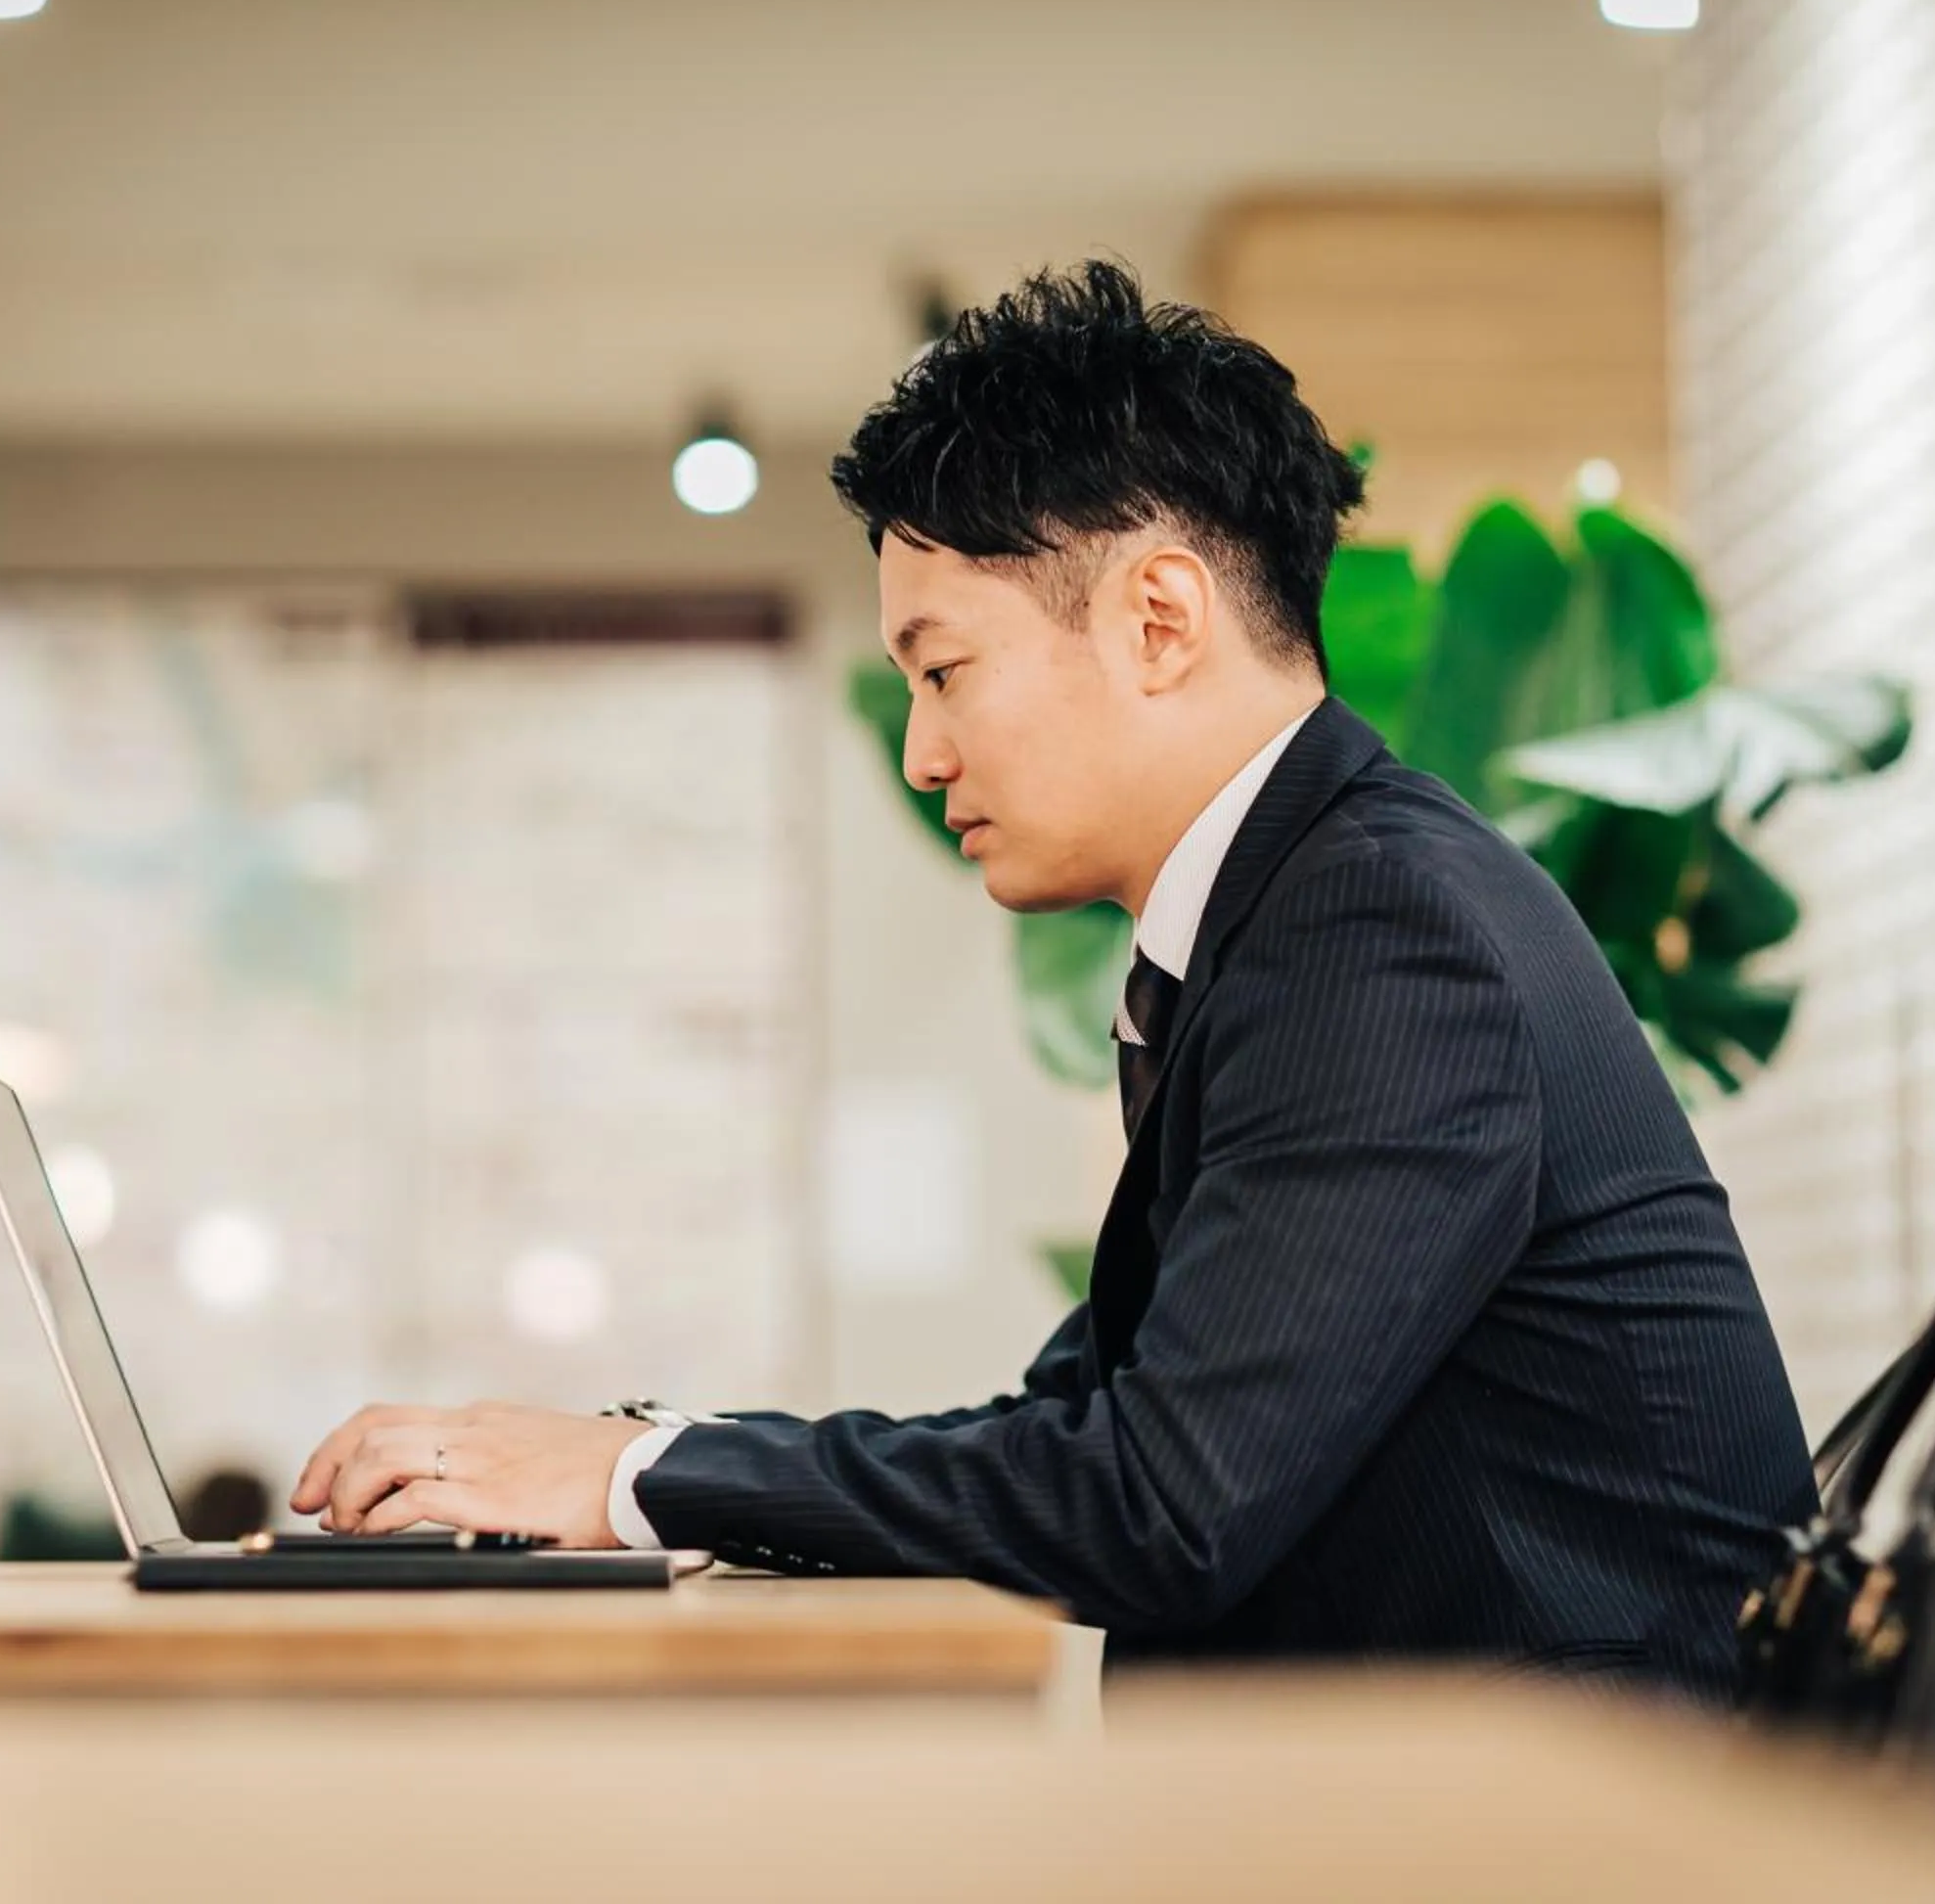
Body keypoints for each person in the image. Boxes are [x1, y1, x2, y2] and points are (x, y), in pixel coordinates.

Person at [292, 260, 1815, 1700]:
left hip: (1575, 1840)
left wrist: (629, 1476)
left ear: (1159, 620)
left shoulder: (1380, 932)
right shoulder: (1297, 914)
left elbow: (1161, 1504)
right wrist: (635, 1465)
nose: (921, 752)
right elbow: (1072, 1437)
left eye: (943, 671)